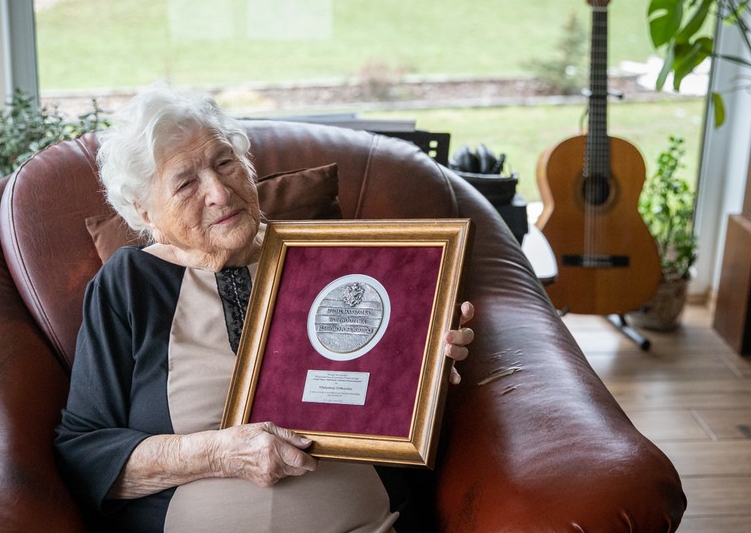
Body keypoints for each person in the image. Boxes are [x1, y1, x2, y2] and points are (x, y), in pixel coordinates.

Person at [54, 83, 476, 532]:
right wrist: (217, 453)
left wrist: (422, 366)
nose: (219, 191)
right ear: (145, 211)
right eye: (185, 182)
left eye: (225, 162)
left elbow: (383, 401)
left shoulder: (331, 257)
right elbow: (85, 452)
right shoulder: (129, 285)